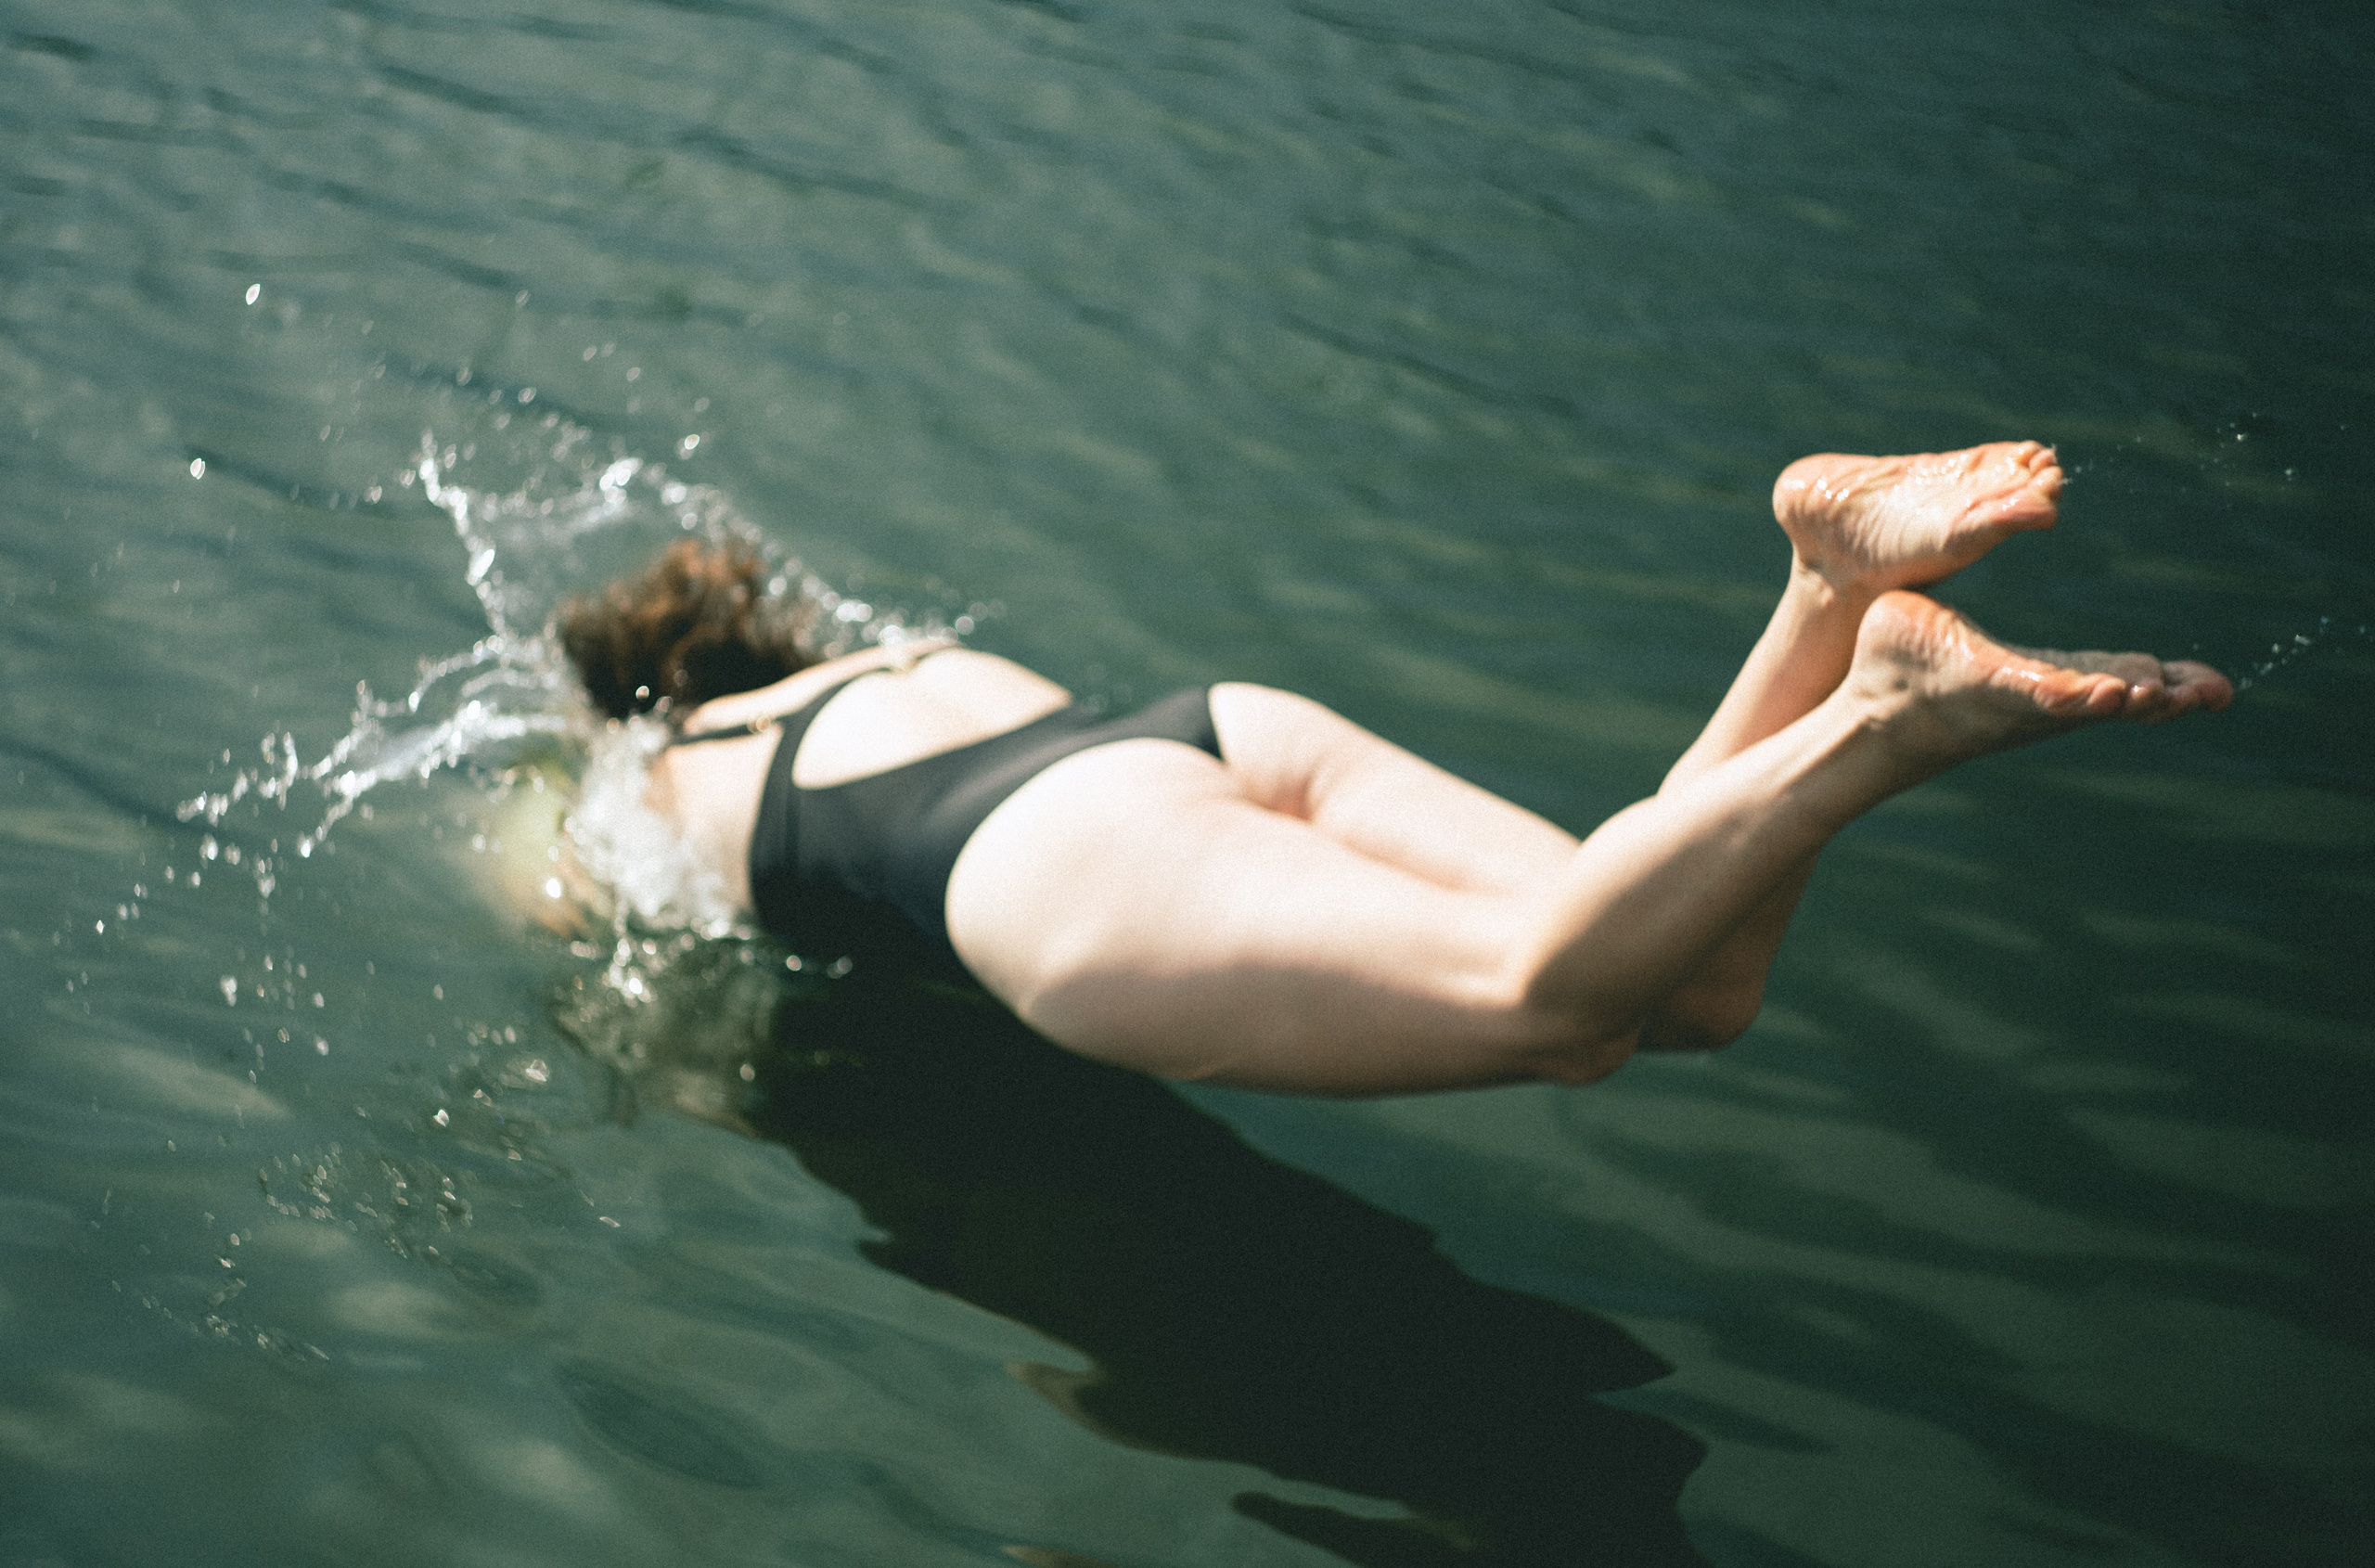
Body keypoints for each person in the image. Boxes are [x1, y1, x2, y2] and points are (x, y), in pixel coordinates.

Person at [557, 442, 2229, 1097]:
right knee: (1672, 980)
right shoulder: (882, 656)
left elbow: (623, 977)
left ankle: (1883, 714)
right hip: (1204, 728)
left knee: (1547, 1003)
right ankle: (1825, 591)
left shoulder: (636, 777)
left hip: (1047, 866)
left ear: (637, 697)